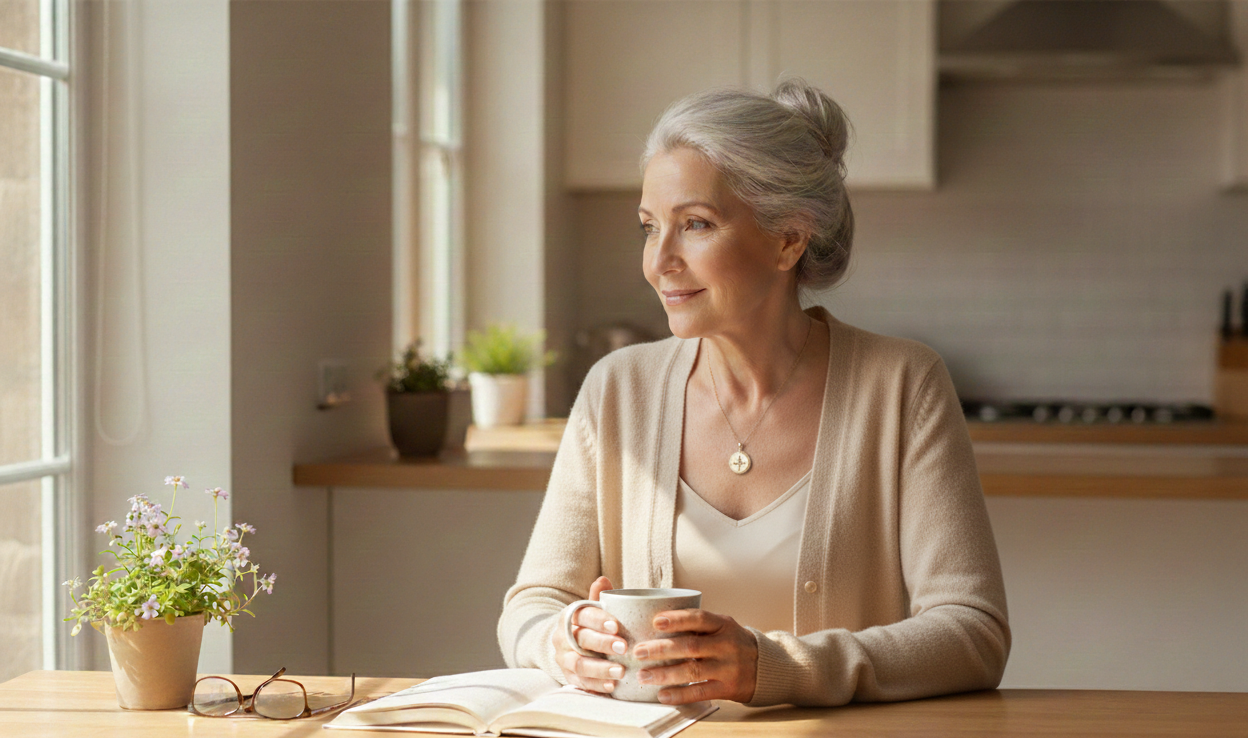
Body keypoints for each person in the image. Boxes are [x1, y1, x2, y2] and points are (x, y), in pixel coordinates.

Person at [497, 79, 1009, 707]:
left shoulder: (901, 385)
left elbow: (973, 632)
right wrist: (564, 637)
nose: (659, 261)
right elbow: (531, 605)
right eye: (649, 227)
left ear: (789, 239)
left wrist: (775, 667)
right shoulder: (617, 388)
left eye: (696, 225)